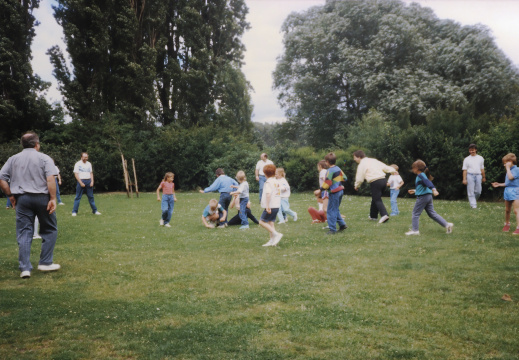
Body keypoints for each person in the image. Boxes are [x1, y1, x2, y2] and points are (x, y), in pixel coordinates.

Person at [0, 132, 61, 278]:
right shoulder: (44, 158)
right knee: (50, 228)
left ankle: (25, 268)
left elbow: (2, 178)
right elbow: (50, 179)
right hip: (42, 198)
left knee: (24, 232)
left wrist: (10, 196)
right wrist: (53, 198)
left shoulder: (13, 159)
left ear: (22, 144)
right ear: (37, 144)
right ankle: (45, 262)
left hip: (23, 199)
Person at [406, 160, 454, 236]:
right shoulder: (422, 175)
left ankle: (415, 231)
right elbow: (424, 186)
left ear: (416, 168)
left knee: (415, 213)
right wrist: (415, 191)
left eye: (413, 168)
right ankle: (447, 225)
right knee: (432, 213)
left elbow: (428, 183)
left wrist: (434, 190)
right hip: (428, 196)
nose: (412, 169)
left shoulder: (420, 175)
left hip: (423, 197)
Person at [353, 150, 395, 224]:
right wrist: (392, 170)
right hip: (383, 180)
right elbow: (384, 166)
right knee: (375, 198)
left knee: (377, 199)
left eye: (355, 157)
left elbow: (359, 177)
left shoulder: (362, 164)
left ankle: (384, 215)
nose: (354, 159)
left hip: (375, 182)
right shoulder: (373, 160)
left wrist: (357, 185)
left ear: (359, 157)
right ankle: (373, 216)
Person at [491, 153, 519, 235]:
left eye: (505, 163)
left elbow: (511, 177)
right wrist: (499, 184)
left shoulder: (516, 170)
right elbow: (508, 182)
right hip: (508, 191)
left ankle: (518, 228)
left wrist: (507, 168)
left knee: (516, 210)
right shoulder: (509, 171)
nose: (504, 165)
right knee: (507, 210)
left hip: (515, 191)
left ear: (510, 162)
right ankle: (507, 224)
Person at [321, 152, 347, 235]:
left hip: (334, 192)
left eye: (325, 161)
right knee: (335, 209)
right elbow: (345, 178)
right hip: (340, 191)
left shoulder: (329, 171)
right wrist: (337, 181)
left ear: (328, 162)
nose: (325, 163)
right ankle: (342, 224)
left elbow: (327, 182)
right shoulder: (338, 168)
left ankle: (332, 229)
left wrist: (320, 189)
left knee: (330, 210)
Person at [259, 164, 283, 246]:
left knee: (261, 222)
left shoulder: (268, 182)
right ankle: (272, 241)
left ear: (265, 174)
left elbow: (268, 194)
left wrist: (267, 206)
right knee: (270, 223)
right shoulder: (276, 181)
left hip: (271, 206)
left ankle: (276, 234)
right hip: (276, 205)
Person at [462, 144, 486, 209]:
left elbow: (482, 169)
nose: (471, 151)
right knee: (471, 191)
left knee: (478, 191)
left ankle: (473, 200)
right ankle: (473, 205)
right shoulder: (466, 159)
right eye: (470, 150)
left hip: (478, 175)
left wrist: (484, 177)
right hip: (470, 175)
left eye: (472, 150)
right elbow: (465, 170)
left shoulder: (480, 158)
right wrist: (464, 179)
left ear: (476, 150)